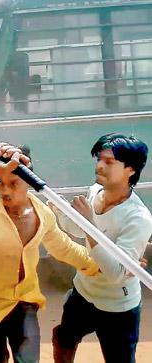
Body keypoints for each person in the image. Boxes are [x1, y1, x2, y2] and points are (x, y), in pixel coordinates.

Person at [0, 145, 99, 363]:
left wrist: (99, 264)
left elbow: (63, 248)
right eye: (0, 183)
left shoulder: (43, 215)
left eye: (14, 183)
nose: (5, 191)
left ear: (28, 182)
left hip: (24, 304)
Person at [52, 133, 152, 363]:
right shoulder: (94, 191)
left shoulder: (138, 217)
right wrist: (57, 210)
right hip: (83, 292)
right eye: (99, 159)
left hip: (118, 307)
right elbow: (79, 231)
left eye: (109, 162)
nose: (99, 166)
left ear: (131, 170)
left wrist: (89, 224)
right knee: (64, 339)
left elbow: (116, 273)